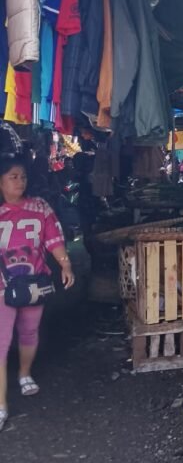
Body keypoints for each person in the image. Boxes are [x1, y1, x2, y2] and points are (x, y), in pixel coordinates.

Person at [0, 156, 75, 431]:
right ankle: (1, 405)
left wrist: (65, 263)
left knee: (29, 331)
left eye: (22, 176)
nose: (20, 182)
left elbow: (53, 238)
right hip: (1, 286)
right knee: (1, 340)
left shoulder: (39, 207)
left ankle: (24, 373)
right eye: (13, 177)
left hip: (35, 281)